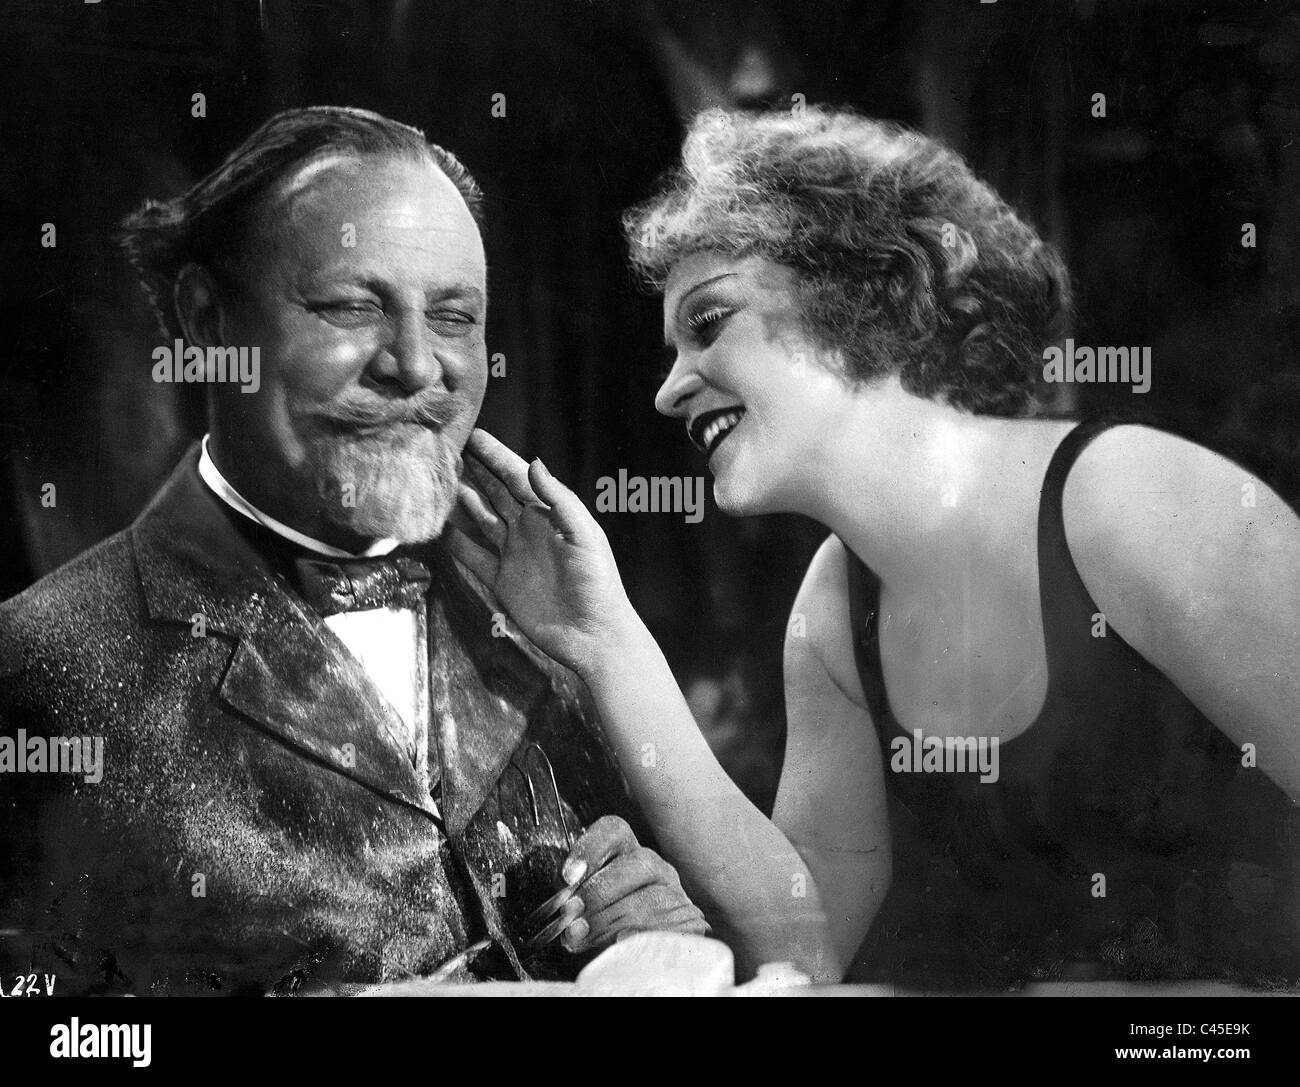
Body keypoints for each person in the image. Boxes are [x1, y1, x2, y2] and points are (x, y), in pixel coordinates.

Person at [449, 106, 1300, 988]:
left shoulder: (1125, 499)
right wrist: (605, 637)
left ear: (859, 292)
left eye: (709, 322)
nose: (668, 391)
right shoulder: (836, 608)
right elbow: (805, 943)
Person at [0, 105, 705, 996]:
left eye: (454, 317)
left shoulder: (559, 629)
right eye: (349, 306)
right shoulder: (39, 663)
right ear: (208, 321)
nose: (416, 364)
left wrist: (653, 932)